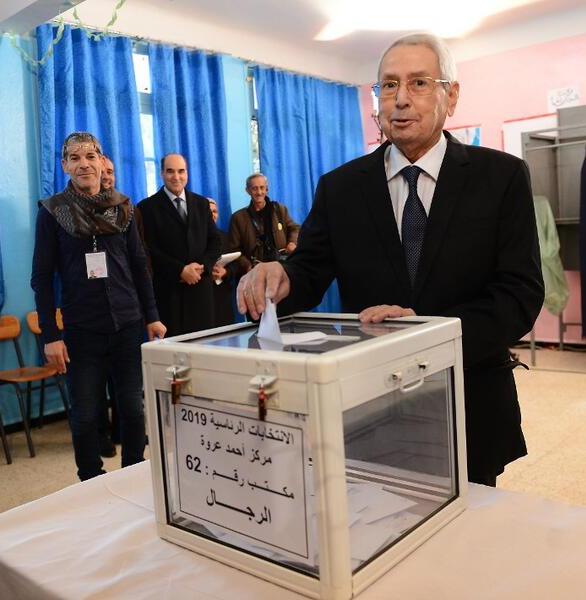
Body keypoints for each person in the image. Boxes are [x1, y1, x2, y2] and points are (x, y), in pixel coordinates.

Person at [236, 33, 544, 486]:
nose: (400, 99)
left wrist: (422, 329)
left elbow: (519, 296)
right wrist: (282, 273)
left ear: (451, 96)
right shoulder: (340, 187)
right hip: (370, 405)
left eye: (419, 83)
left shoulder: (500, 177)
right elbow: (311, 270)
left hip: (469, 395)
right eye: (388, 85)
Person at [31, 131, 166, 481]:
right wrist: (51, 335)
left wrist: (152, 316)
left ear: (102, 161)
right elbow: (42, 279)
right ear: (65, 165)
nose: (83, 164)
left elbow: (139, 264)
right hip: (81, 331)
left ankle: (134, 474)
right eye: (74, 158)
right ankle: (90, 481)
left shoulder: (123, 206)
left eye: (90, 156)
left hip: (127, 325)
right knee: (86, 414)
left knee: (133, 411)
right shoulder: (52, 212)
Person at [137, 153, 221, 336]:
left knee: (205, 353)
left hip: (201, 295)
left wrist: (202, 267)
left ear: (187, 173)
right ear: (161, 173)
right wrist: (180, 270)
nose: (176, 177)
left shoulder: (201, 203)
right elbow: (150, 250)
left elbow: (215, 242)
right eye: (170, 171)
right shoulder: (146, 208)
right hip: (169, 295)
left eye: (181, 171)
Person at [229, 173, 300, 273]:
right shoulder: (238, 217)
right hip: (255, 271)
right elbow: (234, 249)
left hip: (282, 267)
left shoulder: (280, 209)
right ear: (247, 190)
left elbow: (294, 228)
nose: (259, 192)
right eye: (254, 188)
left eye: (262, 187)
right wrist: (247, 265)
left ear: (267, 189)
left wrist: (292, 242)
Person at [207, 198, 239, 327]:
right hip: (202, 297)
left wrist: (225, 272)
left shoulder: (225, 237)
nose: (212, 215)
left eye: (215, 211)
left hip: (223, 298)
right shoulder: (193, 238)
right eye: (209, 211)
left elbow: (236, 265)